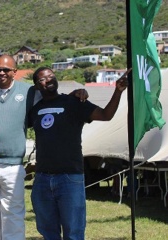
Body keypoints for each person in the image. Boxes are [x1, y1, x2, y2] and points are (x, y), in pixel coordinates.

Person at [0, 55, 88, 240]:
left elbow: (51, 97)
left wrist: (74, 94)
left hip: (13, 165)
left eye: (6, 69)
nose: (2, 73)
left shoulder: (28, 91)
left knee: (13, 215)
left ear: (15, 71)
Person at [28, 67, 130, 240]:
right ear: (37, 86)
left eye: (51, 76)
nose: (49, 80)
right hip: (42, 179)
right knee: (47, 232)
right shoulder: (34, 110)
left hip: (70, 178)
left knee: (74, 233)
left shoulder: (73, 102)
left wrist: (118, 91)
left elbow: (106, 115)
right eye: (43, 79)